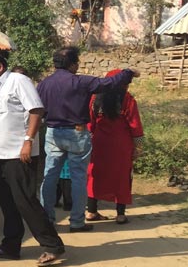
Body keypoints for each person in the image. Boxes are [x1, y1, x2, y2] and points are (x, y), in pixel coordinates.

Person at [0, 53, 66, 267]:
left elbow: (36, 110)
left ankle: (52, 245)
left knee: (25, 201)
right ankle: (10, 245)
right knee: (8, 204)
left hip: (18, 154)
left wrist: (28, 141)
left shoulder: (18, 81)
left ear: (0, 66)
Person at [36, 47, 138, 232]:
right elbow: (109, 82)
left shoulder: (44, 84)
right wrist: (128, 73)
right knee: (78, 178)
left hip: (52, 132)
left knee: (49, 176)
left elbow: (38, 109)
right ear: (73, 64)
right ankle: (76, 222)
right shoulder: (81, 82)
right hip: (76, 133)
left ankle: (46, 220)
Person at [86, 69, 144, 225]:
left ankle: (91, 211)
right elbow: (135, 125)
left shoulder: (94, 98)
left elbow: (89, 123)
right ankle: (120, 215)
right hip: (121, 145)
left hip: (98, 143)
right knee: (122, 177)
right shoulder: (128, 99)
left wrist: (90, 139)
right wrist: (138, 147)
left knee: (94, 174)